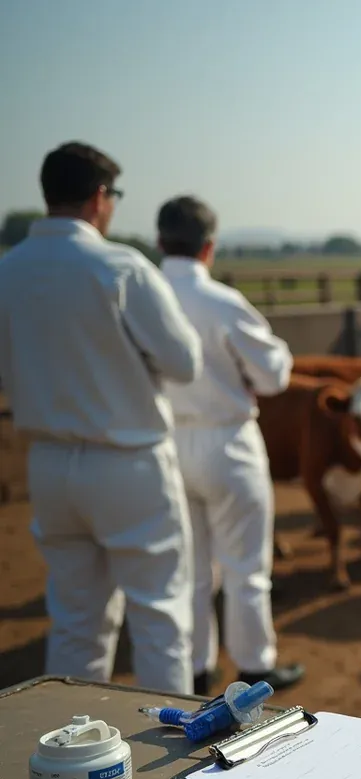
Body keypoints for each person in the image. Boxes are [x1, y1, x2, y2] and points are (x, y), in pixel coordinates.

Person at [0, 142, 203, 694]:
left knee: (75, 623)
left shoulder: (7, 271)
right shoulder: (120, 267)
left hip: (48, 464)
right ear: (98, 197)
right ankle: (173, 765)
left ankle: (74, 755)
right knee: (159, 618)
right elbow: (184, 362)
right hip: (127, 461)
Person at [155, 195, 305, 694]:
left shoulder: (143, 294)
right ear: (209, 247)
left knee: (192, 569)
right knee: (245, 564)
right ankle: (254, 668)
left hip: (167, 443)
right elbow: (274, 374)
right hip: (227, 442)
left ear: (160, 241)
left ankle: (196, 669)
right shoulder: (221, 301)